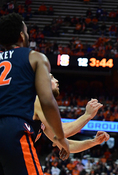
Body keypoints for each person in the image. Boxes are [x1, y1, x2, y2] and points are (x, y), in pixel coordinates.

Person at [0, 13, 69, 174]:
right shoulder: (35, 57)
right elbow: (47, 101)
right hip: (12, 128)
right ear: (22, 36)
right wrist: (60, 137)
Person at [33, 73, 110, 152]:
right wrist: (87, 115)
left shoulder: (39, 107)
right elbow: (63, 131)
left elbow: (67, 146)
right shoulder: (37, 100)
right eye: (51, 78)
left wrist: (94, 142)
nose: (56, 81)